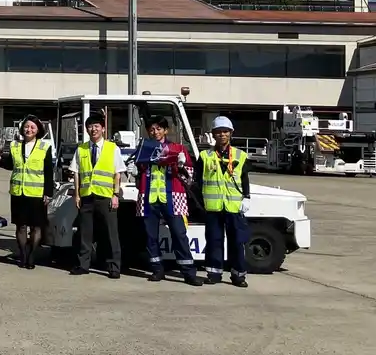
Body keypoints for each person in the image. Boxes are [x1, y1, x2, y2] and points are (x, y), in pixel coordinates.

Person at [137, 115, 202, 286]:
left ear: (166, 130)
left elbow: (189, 177)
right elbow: (137, 171)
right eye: (152, 129)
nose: (155, 132)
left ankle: (188, 273)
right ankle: (157, 269)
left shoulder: (178, 148)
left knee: (179, 234)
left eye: (159, 128)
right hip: (148, 198)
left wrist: (180, 166)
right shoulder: (144, 148)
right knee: (150, 236)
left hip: (173, 198)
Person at [0, 115, 53, 269]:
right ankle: (23, 255)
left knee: (36, 227)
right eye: (26, 126)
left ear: (38, 130)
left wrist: (48, 193)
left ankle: (32, 255)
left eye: (32, 127)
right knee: (21, 226)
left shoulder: (44, 147)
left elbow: (48, 172)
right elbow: (11, 165)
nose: (28, 129)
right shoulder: (15, 146)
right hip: (18, 192)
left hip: (37, 193)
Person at [68, 113, 126, 278]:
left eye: (96, 126)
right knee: (85, 233)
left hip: (106, 197)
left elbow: (117, 173)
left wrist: (115, 194)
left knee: (110, 233)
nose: (93, 129)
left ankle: (114, 267)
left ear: (103, 129)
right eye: (90, 126)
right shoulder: (81, 149)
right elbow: (76, 173)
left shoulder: (112, 148)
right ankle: (83, 265)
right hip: (87, 196)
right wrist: (77, 195)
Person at [200, 116, 251, 287]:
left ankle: (238, 276)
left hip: (233, 206)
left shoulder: (240, 155)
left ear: (231, 133)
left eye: (225, 131)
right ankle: (214, 274)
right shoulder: (205, 156)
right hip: (213, 207)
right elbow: (198, 181)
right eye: (218, 132)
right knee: (214, 241)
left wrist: (247, 197)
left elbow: (245, 179)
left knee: (237, 242)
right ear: (213, 134)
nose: (222, 134)